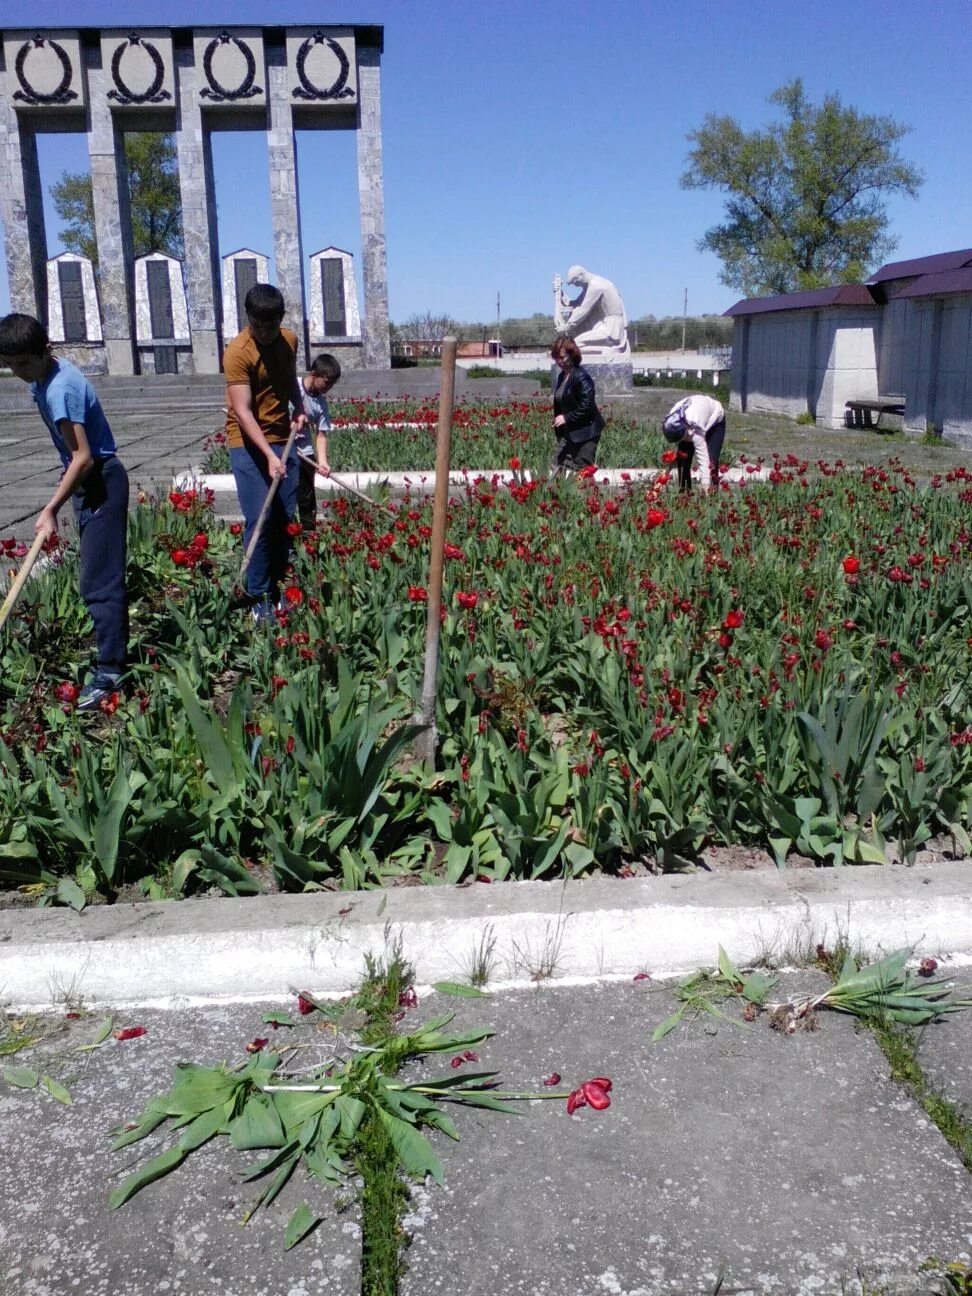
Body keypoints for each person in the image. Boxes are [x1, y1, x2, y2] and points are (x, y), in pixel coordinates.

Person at [0, 312, 129, 711]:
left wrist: (51, 506)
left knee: (99, 583)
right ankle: (110, 659)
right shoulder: (47, 377)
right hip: (89, 481)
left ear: (46, 351)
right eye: (10, 364)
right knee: (95, 577)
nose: (18, 371)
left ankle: (110, 673)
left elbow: (84, 457)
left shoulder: (60, 390)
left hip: (100, 482)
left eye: (24, 362)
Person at [223, 283, 307, 620]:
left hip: (282, 437)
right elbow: (242, 412)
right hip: (247, 443)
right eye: (258, 326)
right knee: (260, 515)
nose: (265, 333)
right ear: (249, 319)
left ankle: (277, 587)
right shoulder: (237, 353)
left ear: (280, 320)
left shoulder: (288, 340)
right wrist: (269, 457)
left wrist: (299, 408)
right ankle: (257, 596)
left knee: (285, 517)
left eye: (271, 326)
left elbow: (289, 381)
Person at [295, 352, 341, 530]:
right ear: (314, 375)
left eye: (332, 384)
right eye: (327, 382)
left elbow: (321, 434)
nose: (329, 387)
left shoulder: (321, 404)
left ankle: (308, 537)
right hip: (284, 448)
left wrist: (322, 462)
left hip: (304, 454)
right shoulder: (293, 387)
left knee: (306, 500)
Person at [551, 334, 606, 474]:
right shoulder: (562, 376)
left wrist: (566, 418)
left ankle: (591, 495)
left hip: (587, 431)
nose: (559, 361)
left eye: (562, 357)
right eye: (556, 357)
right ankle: (558, 495)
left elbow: (586, 406)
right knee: (557, 464)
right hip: (570, 431)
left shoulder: (581, 377)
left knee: (582, 468)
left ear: (572, 354)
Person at [664, 392, 726, 494]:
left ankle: (712, 497)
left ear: (686, 431)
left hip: (715, 419)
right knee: (683, 459)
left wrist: (706, 489)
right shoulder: (671, 420)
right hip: (696, 413)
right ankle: (685, 495)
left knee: (711, 462)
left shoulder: (695, 430)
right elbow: (678, 447)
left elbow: (704, 461)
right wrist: (666, 473)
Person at [557, 266, 628, 352]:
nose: (576, 286)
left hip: (612, 329)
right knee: (576, 344)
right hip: (606, 326)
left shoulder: (596, 285)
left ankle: (606, 350)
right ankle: (605, 350)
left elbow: (583, 309)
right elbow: (575, 304)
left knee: (576, 344)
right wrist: (559, 293)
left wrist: (568, 326)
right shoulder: (591, 286)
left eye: (576, 283)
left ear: (581, 275)